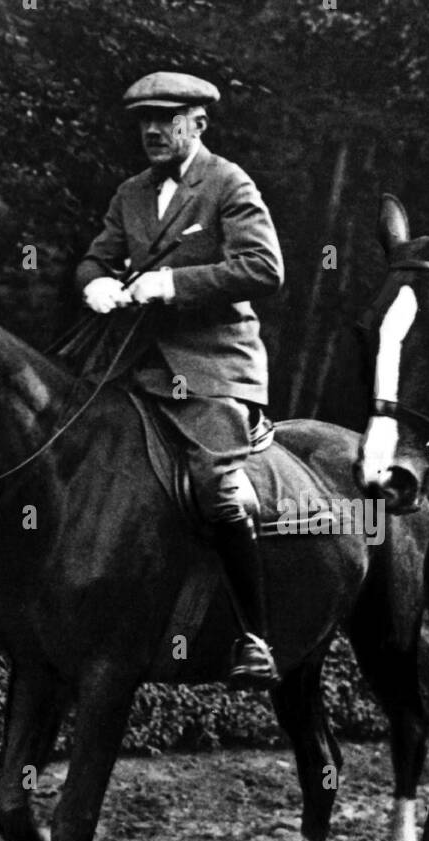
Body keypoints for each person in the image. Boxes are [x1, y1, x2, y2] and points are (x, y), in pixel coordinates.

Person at [71, 71, 286, 688]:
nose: (154, 131)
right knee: (62, 450)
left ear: (199, 123)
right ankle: (35, 609)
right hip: (137, 367)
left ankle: (255, 636)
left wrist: (173, 284)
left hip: (215, 367)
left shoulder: (228, 182)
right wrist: (97, 283)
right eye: (145, 121)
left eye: (168, 118)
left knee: (215, 489)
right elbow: (96, 254)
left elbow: (263, 268)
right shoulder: (131, 193)